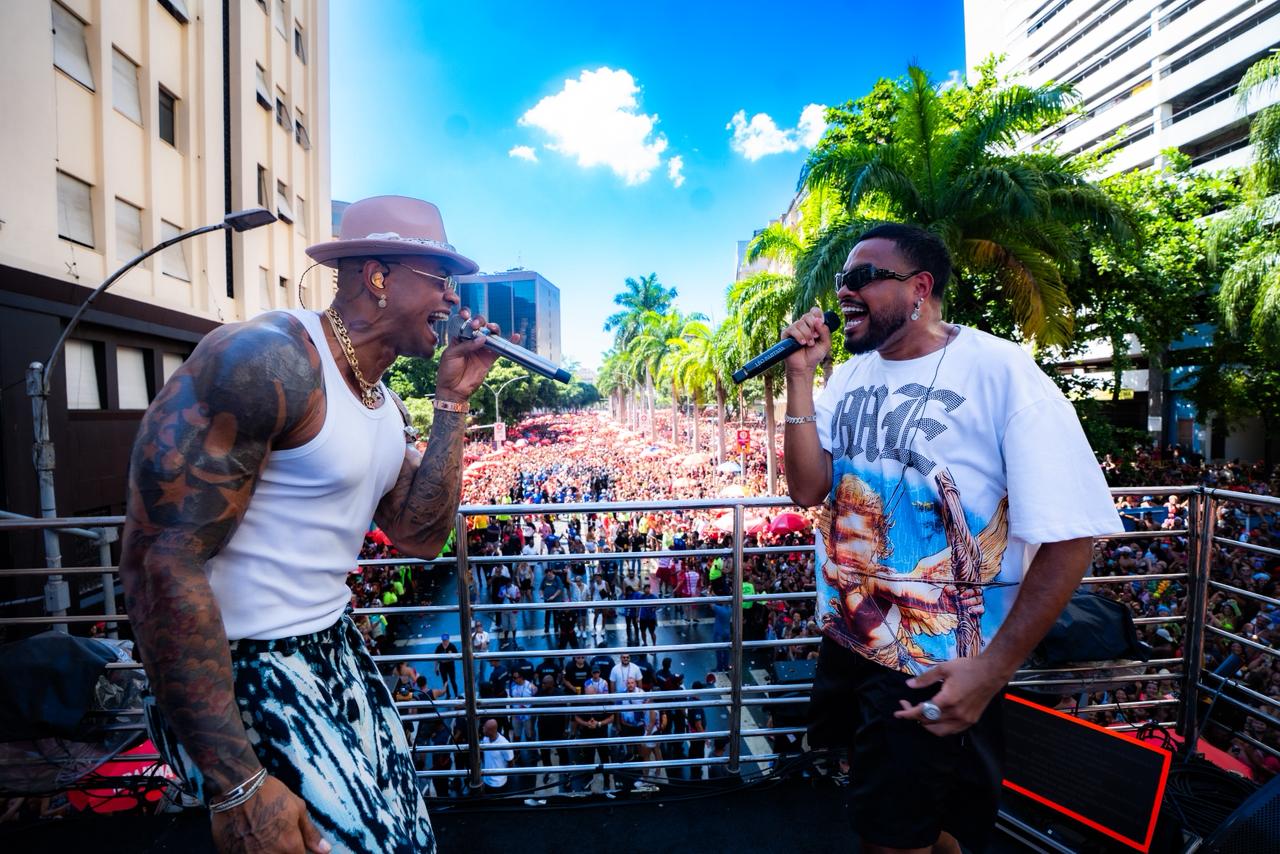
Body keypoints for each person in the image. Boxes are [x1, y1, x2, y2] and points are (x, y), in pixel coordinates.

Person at [118, 196, 513, 854]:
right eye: (440, 278)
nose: (453, 298)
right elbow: (160, 561)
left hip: (331, 648)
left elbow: (420, 536)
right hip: (245, 668)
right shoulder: (265, 360)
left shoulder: (384, 406)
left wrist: (452, 403)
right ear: (379, 276)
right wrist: (239, 785)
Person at [781, 223, 1119, 854]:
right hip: (853, 637)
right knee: (922, 820)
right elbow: (807, 488)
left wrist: (992, 670)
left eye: (861, 279)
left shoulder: (1001, 373)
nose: (842, 293)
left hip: (936, 661)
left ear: (920, 287)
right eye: (839, 281)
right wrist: (801, 377)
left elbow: (1071, 538)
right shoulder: (849, 377)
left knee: (892, 836)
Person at [479, 719, 515, 794]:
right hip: (486, 780)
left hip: (499, 784)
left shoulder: (504, 744)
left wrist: (503, 776)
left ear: (490, 731)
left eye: (485, 728)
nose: (482, 729)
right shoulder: (485, 738)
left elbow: (511, 762)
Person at [434, 634, 459, 699]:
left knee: (453, 681)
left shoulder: (452, 646)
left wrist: (451, 656)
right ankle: (448, 695)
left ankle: (456, 694)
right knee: (445, 681)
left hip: (450, 666)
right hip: (442, 667)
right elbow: (435, 658)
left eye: (446, 640)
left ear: (448, 639)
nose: (445, 642)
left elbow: (457, 655)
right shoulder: (439, 647)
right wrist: (436, 668)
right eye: (444, 640)